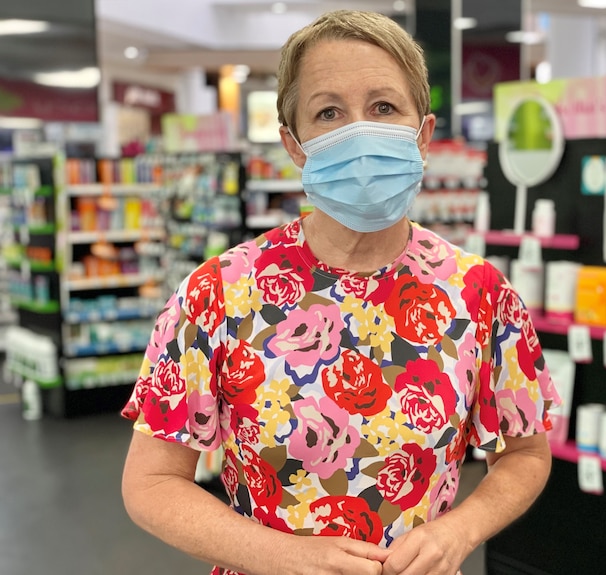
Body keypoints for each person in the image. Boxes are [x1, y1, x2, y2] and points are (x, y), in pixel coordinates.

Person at [121, 9, 560, 575]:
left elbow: (525, 452)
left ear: (423, 134)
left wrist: (460, 530)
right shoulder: (217, 294)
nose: (360, 132)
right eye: (328, 112)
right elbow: (151, 482)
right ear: (294, 143)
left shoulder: (479, 293)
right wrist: (281, 555)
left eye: (384, 107)